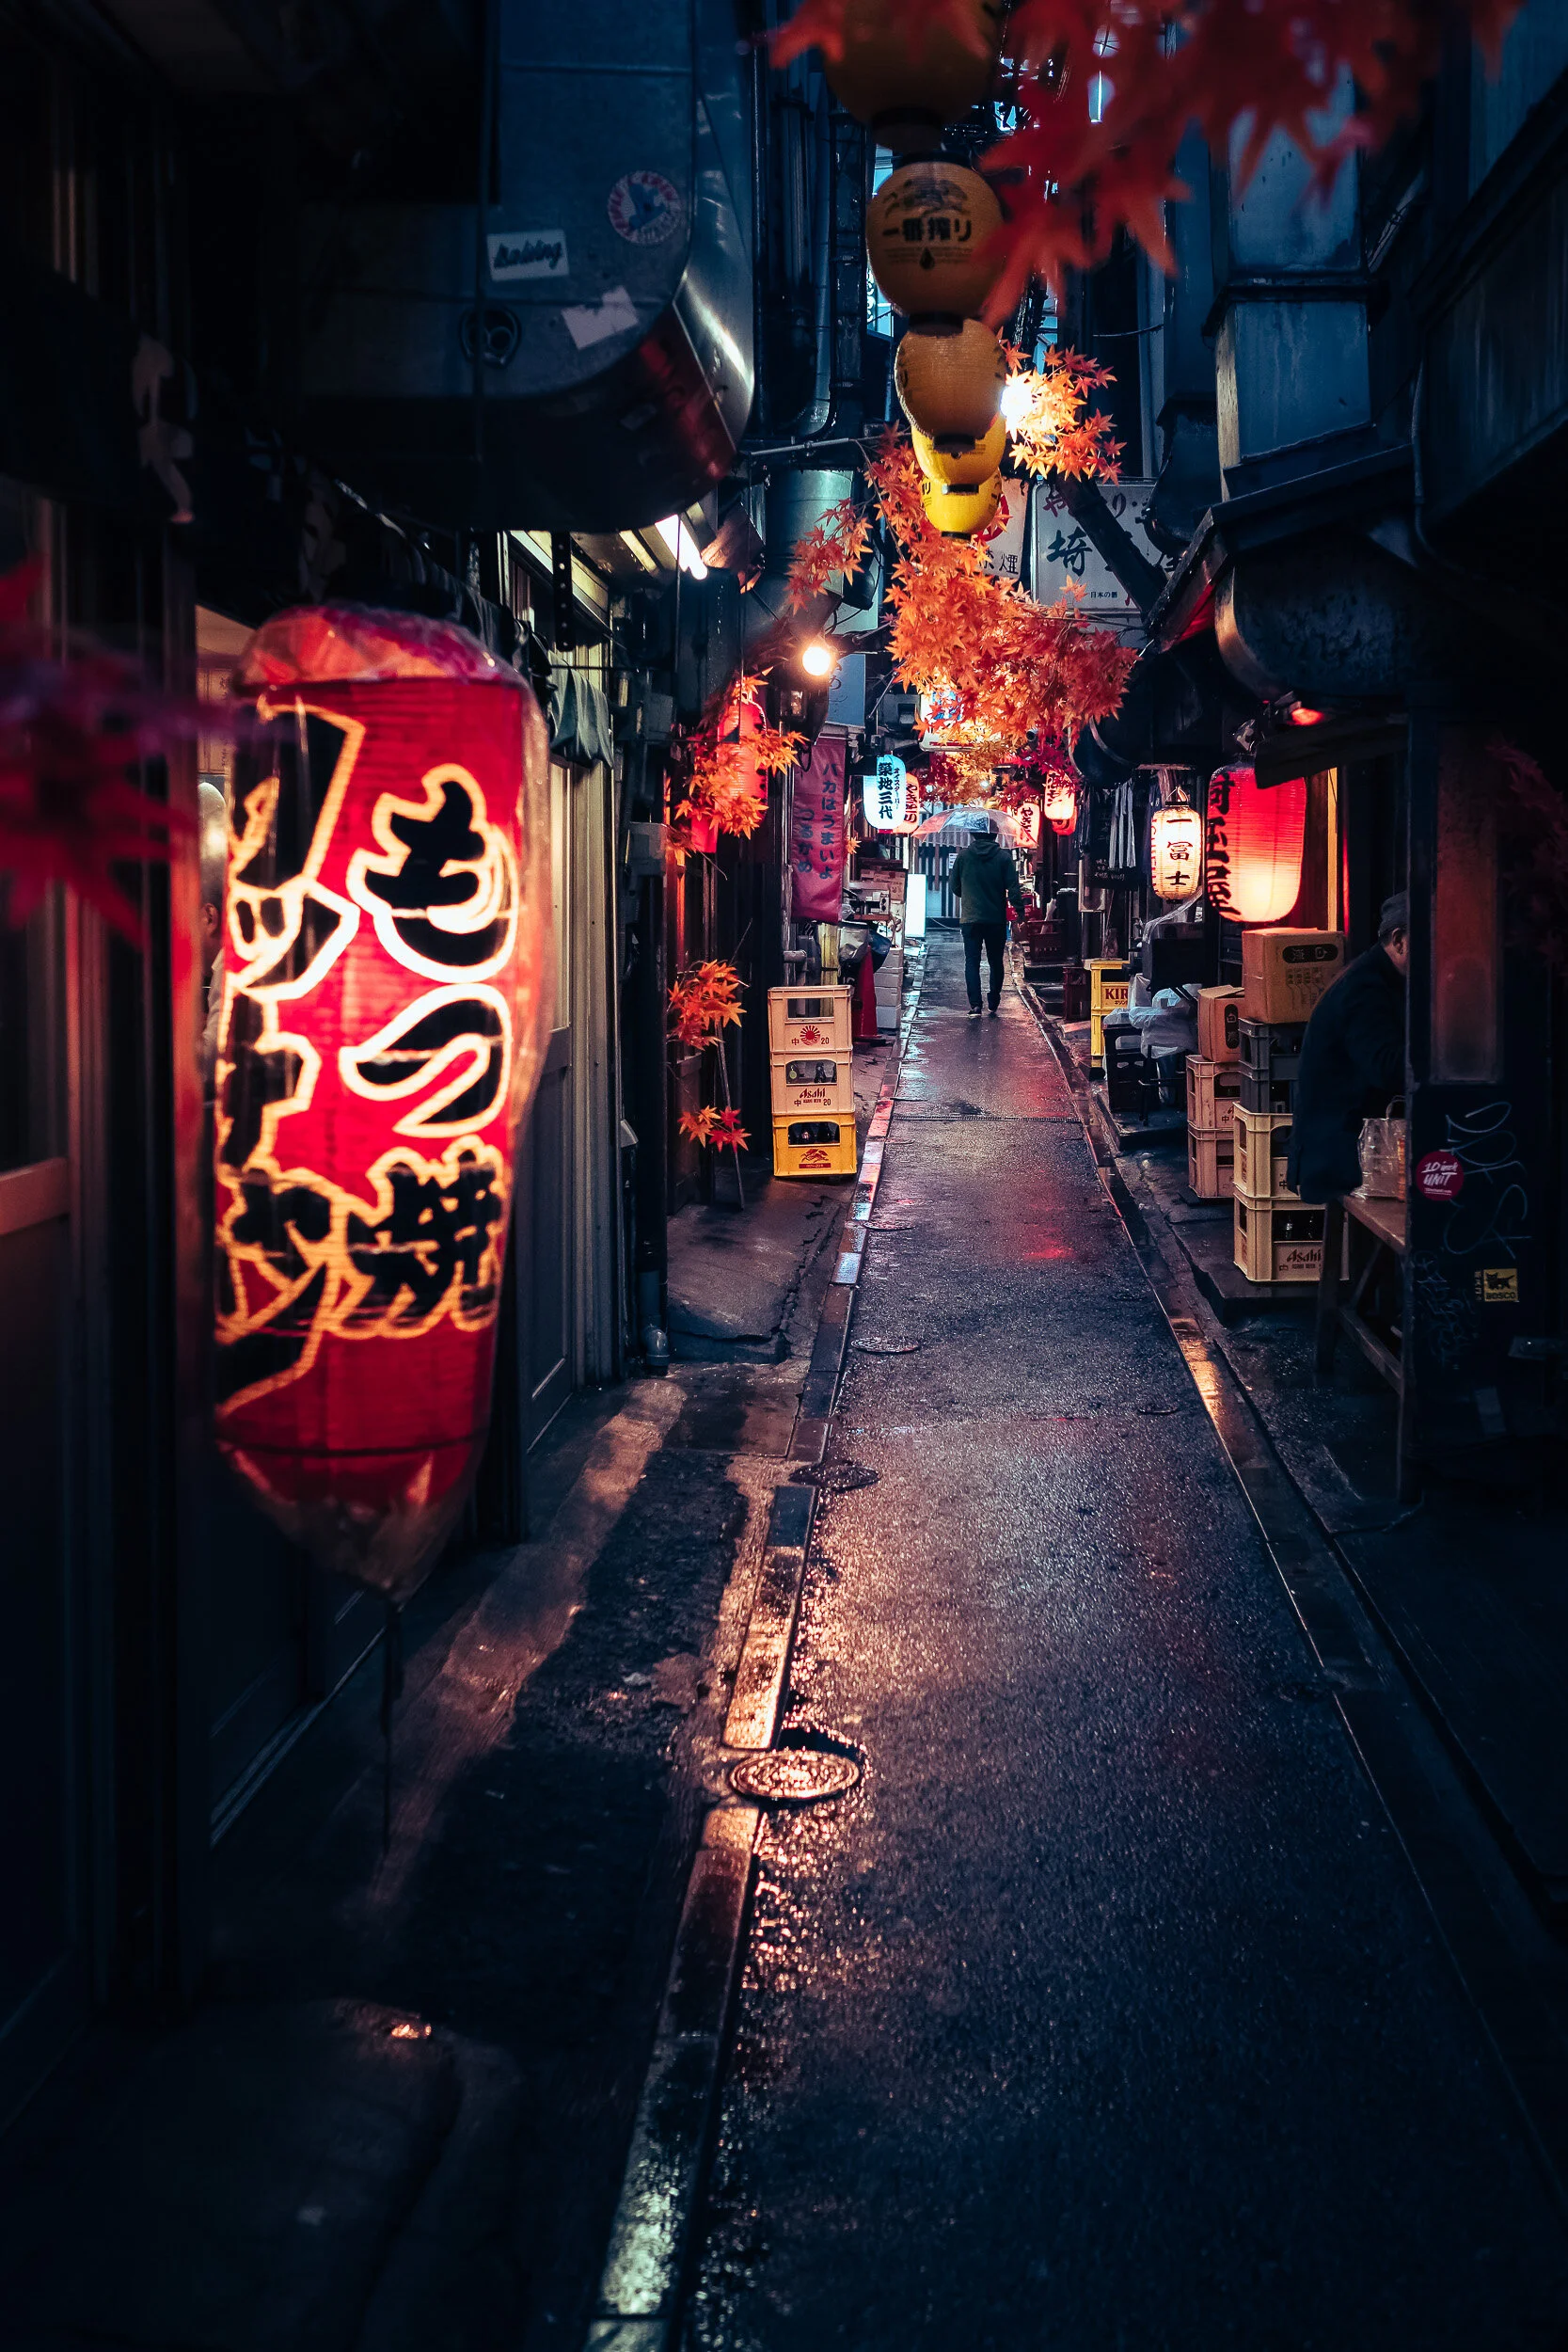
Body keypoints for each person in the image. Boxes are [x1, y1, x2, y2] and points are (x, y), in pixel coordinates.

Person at [1287, 890, 1407, 1202]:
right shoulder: (1366, 987)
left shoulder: (1377, 977)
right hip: (1342, 1153)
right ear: (1399, 940)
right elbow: (1386, 1066)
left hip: (1348, 1148)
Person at [950, 817, 1026, 1018]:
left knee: (972, 961)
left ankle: (975, 1005)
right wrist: (1020, 910)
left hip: (970, 918)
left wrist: (969, 895)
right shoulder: (1003, 858)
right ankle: (994, 1000)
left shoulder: (963, 857)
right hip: (995, 918)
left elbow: (954, 886)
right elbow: (1013, 888)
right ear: (996, 834)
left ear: (973, 833)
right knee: (995, 961)